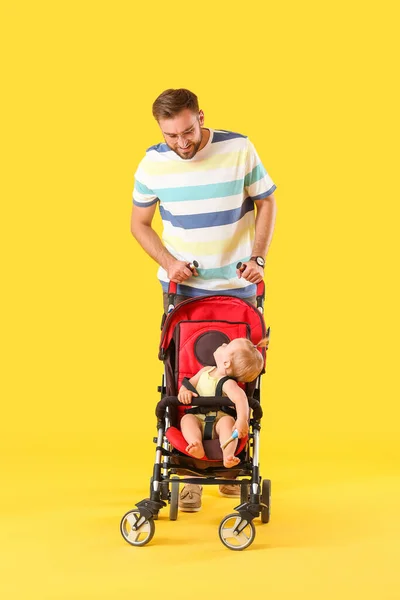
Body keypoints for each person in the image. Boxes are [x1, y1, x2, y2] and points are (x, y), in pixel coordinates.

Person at [130, 88, 277, 507]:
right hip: (184, 291)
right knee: (184, 380)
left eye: (188, 131)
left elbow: (267, 202)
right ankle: (189, 470)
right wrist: (169, 261)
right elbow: (140, 223)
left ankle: (232, 465)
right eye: (171, 135)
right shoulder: (152, 163)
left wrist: (259, 257)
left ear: (201, 117)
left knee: (240, 387)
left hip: (238, 288)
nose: (181, 143)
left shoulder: (238, 148)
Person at [178, 337, 268, 470]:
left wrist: (242, 420)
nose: (223, 343)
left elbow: (241, 399)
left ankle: (228, 455)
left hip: (218, 424)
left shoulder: (228, 383)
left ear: (226, 363)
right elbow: (188, 384)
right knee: (186, 419)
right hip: (197, 419)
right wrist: (184, 392)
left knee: (228, 422)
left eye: (227, 345)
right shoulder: (205, 371)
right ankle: (196, 443)